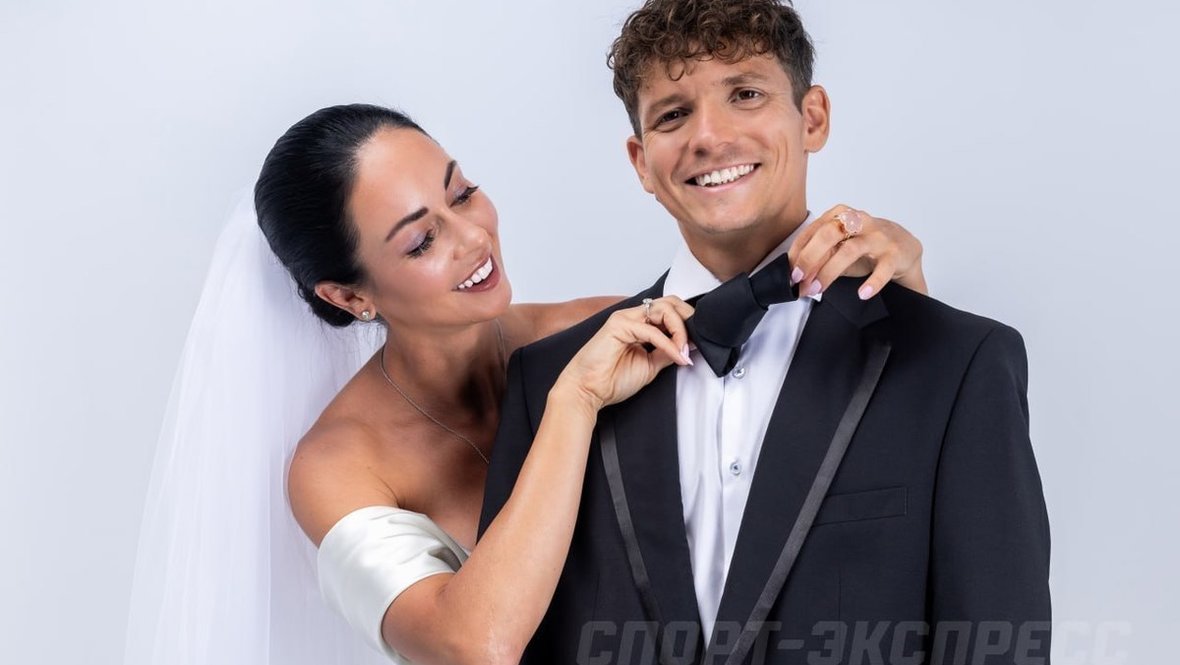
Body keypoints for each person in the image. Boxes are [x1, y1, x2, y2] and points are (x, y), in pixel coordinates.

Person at [124, 103, 928, 665]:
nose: (473, 237)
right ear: (348, 294)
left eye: (462, 191)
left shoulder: (600, 325)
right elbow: (477, 644)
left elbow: (833, 452)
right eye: (421, 240)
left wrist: (900, 284)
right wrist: (571, 406)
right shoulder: (338, 463)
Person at [479, 1, 1052, 664]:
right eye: (673, 114)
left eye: (746, 94)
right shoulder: (551, 383)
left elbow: (997, 643)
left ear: (813, 117)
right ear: (640, 161)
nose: (709, 135)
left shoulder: (957, 362)